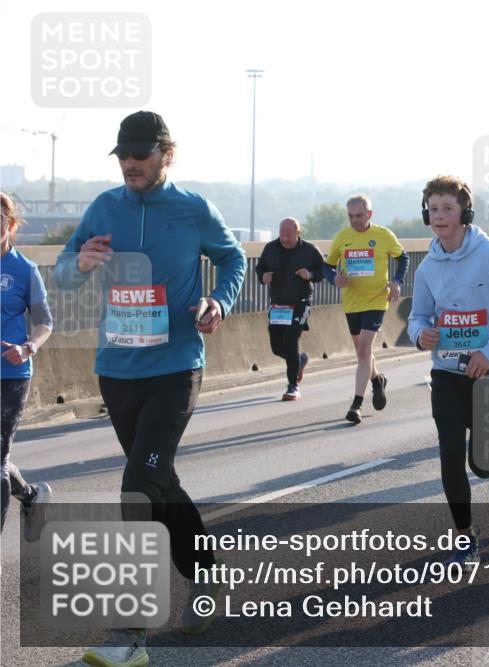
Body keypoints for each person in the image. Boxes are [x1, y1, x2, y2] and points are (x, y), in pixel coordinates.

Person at [53, 111, 246, 664]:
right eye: (123, 155)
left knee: (138, 487)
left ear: (167, 154)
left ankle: (129, 634)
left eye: (141, 154)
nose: (130, 164)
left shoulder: (193, 209)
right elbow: (64, 271)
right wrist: (80, 263)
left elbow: (232, 258)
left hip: (176, 367)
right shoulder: (104, 207)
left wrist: (219, 301)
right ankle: (206, 573)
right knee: (160, 483)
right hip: (117, 372)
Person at [407, 175, 489, 567]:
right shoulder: (428, 266)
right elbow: (417, 316)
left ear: (465, 213)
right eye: (433, 209)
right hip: (447, 371)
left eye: (447, 208)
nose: (439, 215)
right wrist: (420, 335)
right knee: (450, 456)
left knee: (480, 461)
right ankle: (465, 538)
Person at [324, 195, 409, 424]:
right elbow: (328, 266)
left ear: (369, 214)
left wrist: (397, 281)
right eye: (350, 216)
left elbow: (403, 258)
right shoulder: (342, 237)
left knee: (363, 350)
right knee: (362, 351)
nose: (355, 220)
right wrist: (334, 279)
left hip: (376, 299)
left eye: (359, 215)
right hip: (352, 301)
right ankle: (377, 380)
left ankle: (356, 404)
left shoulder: (383, 235)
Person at [1, 192, 54, 542]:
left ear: (10, 224)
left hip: (11, 375)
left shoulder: (24, 269)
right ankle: (33, 497)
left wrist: (28, 347)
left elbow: (44, 322)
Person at [255, 217, 326, 400]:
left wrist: (309, 274)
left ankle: (293, 386)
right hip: (278, 303)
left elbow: (323, 270)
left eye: (288, 235)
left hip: (300, 302)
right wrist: (263, 276)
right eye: (282, 235)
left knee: (290, 340)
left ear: (298, 233)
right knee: (277, 347)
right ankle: (299, 360)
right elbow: (260, 268)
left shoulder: (309, 250)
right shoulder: (270, 248)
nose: (284, 239)